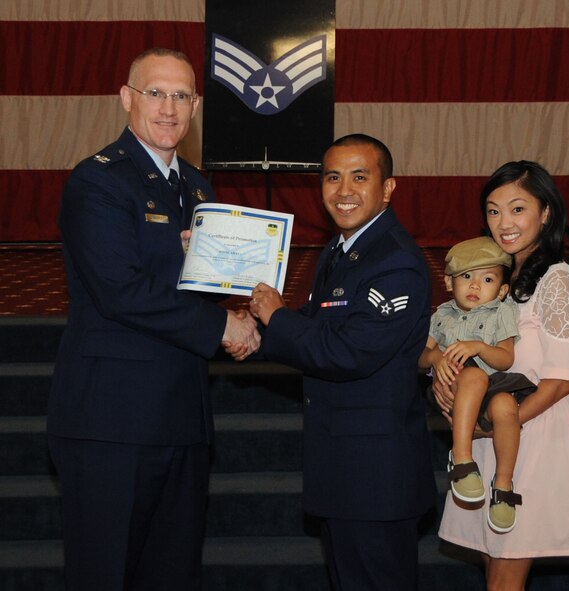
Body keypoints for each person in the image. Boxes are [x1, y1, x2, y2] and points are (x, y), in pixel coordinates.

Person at [47, 48, 260, 590]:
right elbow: (121, 292)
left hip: (182, 416)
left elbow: (195, 290)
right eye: (156, 93)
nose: (169, 108)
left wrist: (237, 302)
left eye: (182, 95)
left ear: (195, 105)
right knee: (105, 574)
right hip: (111, 422)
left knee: (172, 574)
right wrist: (223, 330)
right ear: (127, 100)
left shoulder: (197, 189)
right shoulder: (97, 182)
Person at [248, 134, 436, 591]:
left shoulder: (396, 261)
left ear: (388, 188)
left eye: (359, 176)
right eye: (332, 177)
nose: (343, 190)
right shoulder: (341, 249)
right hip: (344, 472)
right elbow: (317, 332)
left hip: (375, 479)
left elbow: (348, 351)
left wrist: (275, 318)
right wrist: (252, 335)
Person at [436, 161, 569, 590]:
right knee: (492, 566)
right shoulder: (493, 279)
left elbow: (562, 380)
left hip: (531, 436)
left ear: (545, 212)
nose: (503, 223)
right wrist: (445, 378)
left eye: (517, 209)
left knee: (505, 579)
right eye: (493, 211)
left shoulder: (558, 279)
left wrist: (490, 427)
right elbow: (459, 341)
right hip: (483, 442)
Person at [419, 236, 537, 533]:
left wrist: (479, 347)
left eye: (487, 279)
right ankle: (461, 459)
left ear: (502, 290)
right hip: (455, 384)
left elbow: (505, 358)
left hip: (493, 382)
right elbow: (418, 358)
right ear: (448, 283)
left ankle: (503, 485)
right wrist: (434, 358)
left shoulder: (502, 312)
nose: (474, 286)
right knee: (474, 376)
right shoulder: (442, 315)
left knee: (506, 405)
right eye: (466, 277)